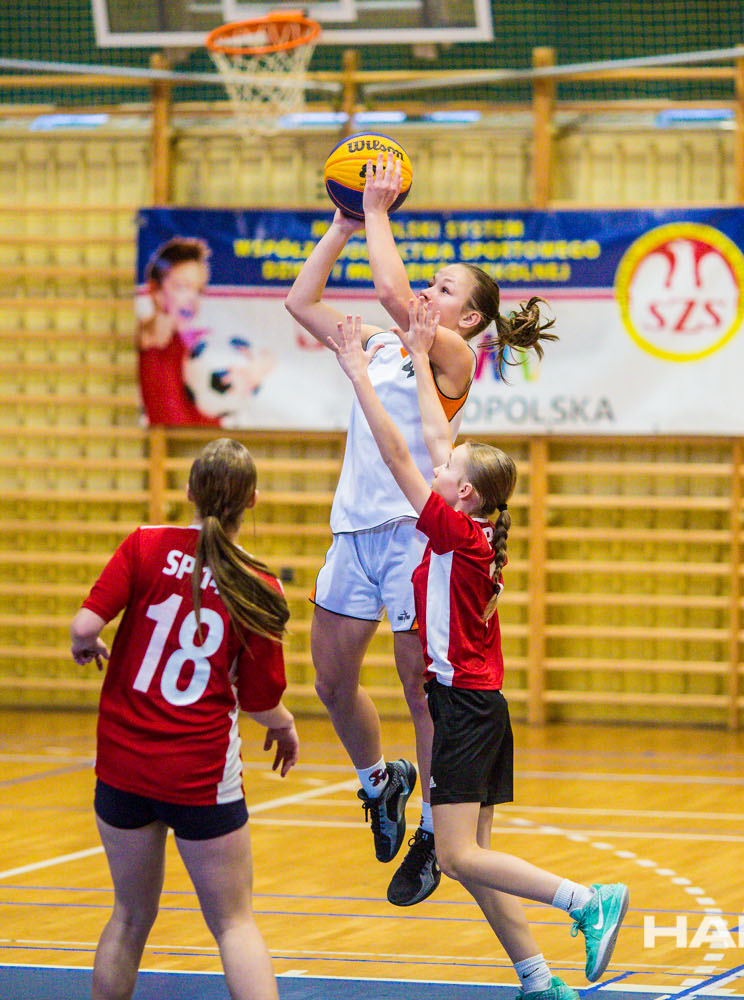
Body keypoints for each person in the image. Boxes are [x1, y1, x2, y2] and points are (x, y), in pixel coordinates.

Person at [324, 300, 627, 999]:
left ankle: (587, 900)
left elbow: (399, 453)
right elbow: (435, 432)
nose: (437, 462)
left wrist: (359, 374)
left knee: (458, 856)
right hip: (480, 707)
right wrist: (421, 353)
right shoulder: (472, 526)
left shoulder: (454, 533)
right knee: (475, 857)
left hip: (462, 710)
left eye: (448, 468)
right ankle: (538, 981)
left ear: (460, 492)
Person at [283, 155, 557, 907]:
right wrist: (342, 227)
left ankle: (435, 830)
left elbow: (392, 293)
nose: (428, 293)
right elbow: (301, 302)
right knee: (330, 682)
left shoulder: (454, 356)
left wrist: (377, 209)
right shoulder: (380, 343)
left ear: (468, 319)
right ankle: (380, 781)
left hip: (414, 534)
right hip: (353, 530)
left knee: (418, 688)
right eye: (430, 283)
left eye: (444, 289)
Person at [70, 437, 298, 1000]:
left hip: (123, 767)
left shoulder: (145, 545)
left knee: (128, 916)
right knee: (234, 924)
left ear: (190, 491)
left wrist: (86, 644)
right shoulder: (258, 584)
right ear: (252, 501)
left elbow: (83, 626)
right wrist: (284, 725)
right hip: (199, 777)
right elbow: (259, 701)